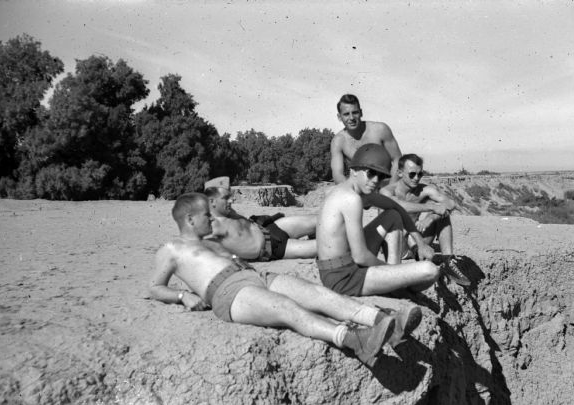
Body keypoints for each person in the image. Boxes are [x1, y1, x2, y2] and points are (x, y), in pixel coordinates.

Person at [148, 192, 423, 367]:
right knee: (287, 308)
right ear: (189, 219)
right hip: (227, 293)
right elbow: (154, 287)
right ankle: (352, 339)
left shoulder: (212, 239)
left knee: (318, 295)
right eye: (206, 215)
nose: (212, 218)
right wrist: (183, 296)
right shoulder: (171, 249)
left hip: (254, 275)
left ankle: (384, 322)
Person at [317, 143, 442, 297]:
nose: (376, 180)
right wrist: (393, 272)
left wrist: (420, 243)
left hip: (343, 265)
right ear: (353, 170)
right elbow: (360, 256)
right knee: (430, 271)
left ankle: (392, 282)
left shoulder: (353, 191)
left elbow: (398, 209)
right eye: (371, 173)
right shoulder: (351, 198)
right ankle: (394, 285)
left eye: (381, 176)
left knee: (392, 215)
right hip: (343, 278)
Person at [380, 154, 470, 286]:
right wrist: (431, 207)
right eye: (412, 174)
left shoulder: (424, 190)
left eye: (420, 174)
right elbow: (398, 205)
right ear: (399, 173)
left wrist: (431, 217)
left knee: (443, 216)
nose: (416, 178)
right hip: (396, 245)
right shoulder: (387, 191)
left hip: (418, 241)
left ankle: (448, 261)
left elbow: (450, 203)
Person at [204, 177, 317, 261]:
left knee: (319, 221)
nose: (231, 201)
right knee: (323, 246)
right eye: (226, 198)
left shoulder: (228, 212)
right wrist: (234, 257)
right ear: (212, 201)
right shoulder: (211, 228)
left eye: (230, 197)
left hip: (271, 227)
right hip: (274, 248)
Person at [330, 94, 402, 184]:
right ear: (339, 117)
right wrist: (350, 191)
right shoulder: (338, 141)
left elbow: (397, 159)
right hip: (361, 187)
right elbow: (338, 174)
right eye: (346, 114)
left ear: (361, 112)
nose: (351, 118)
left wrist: (390, 186)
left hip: (385, 182)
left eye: (355, 112)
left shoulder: (380, 130)